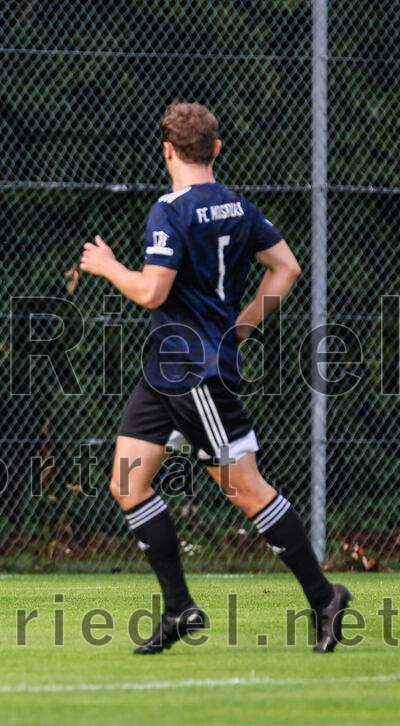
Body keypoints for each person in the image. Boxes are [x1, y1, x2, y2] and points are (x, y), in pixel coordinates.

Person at [79, 102, 351, 654]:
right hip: (165, 374)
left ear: (168, 151)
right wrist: (245, 325)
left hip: (199, 376)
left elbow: (152, 292)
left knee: (247, 491)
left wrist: (107, 267)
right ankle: (180, 609)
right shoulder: (237, 206)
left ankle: (325, 597)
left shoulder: (170, 210)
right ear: (217, 149)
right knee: (127, 483)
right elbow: (287, 267)